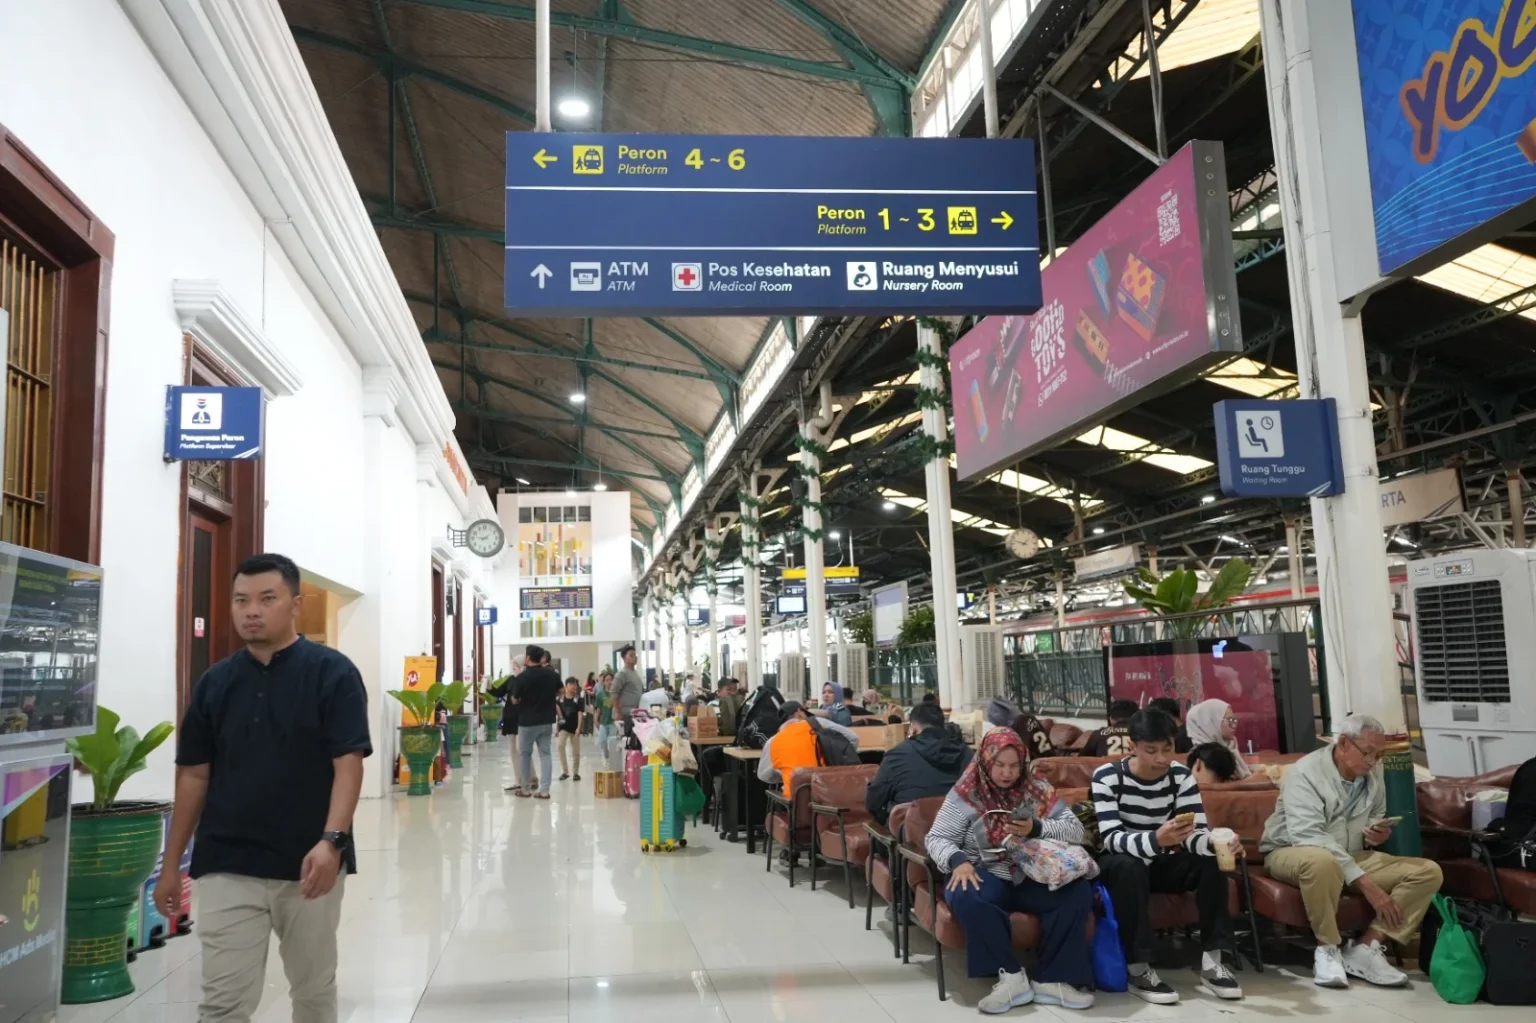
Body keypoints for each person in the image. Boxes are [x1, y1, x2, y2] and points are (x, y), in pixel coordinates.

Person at [156, 553, 370, 1021]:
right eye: (241, 600)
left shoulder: (333, 673)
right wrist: (172, 864)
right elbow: (193, 774)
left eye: (266, 599)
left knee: (312, 990)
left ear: (295, 604)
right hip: (227, 862)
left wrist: (332, 841)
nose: (251, 610)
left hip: (309, 863)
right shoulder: (215, 683)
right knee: (222, 1002)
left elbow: (348, 764)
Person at [1259, 714, 1442, 989]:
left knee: (1428, 872)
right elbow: (1308, 835)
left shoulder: (1373, 771)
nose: (1373, 762)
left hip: (1350, 854)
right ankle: (1327, 949)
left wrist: (1377, 832)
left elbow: (1376, 811)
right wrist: (1366, 883)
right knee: (1322, 862)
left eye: (1379, 755)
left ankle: (1367, 948)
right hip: (1293, 850)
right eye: (1367, 753)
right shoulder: (1304, 773)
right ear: (1344, 743)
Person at [924, 729, 1095, 1013]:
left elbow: (1075, 830)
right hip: (984, 871)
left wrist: (1036, 827)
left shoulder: (1037, 788)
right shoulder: (966, 793)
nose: (1007, 773)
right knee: (965, 892)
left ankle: (1053, 980)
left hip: (1031, 872)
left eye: (1015, 765)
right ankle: (1011, 978)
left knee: (1076, 892)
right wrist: (958, 861)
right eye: (1000, 765)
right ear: (985, 761)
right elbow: (937, 838)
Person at [1092, 710, 1243, 1003]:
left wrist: (1217, 843)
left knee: (1211, 860)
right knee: (1128, 866)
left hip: (1159, 860)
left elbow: (1194, 835)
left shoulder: (1180, 776)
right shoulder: (1107, 777)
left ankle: (1213, 961)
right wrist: (1156, 839)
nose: (1161, 758)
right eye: (1151, 750)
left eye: (1167, 748)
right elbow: (1111, 838)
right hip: (1119, 863)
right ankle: (1138, 968)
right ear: (1133, 746)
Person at [865, 702, 971, 825]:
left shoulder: (897, 754)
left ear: (913, 728)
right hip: (959, 829)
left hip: (913, 830)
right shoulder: (966, 752)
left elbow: (873, 802)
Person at [758, 701, 859, 796]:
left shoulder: (772, 741)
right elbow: (853, 738)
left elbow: (764, 775)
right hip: (830, 795)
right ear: (799, 712)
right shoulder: (817, 723)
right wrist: (835, 757)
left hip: (797, 800)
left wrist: (787, 774)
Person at [511, 646, 563, 799]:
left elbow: (514, 699)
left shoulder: (522, 677)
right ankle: (544, 790)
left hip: (527, 722)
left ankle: (525, 789)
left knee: (525, 755)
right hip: (546, 721)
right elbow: (561, 691)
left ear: (528, 658)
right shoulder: (551, 674)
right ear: (541, 658)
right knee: (545, 754)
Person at [1185, 699, 1252, 779]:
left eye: (1234, 720)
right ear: (1210, 723)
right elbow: (1210, 785)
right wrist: (1253, 779)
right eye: (1230, 720)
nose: (1234, 725)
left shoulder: (1230, 746)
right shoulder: (1205, 756)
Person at [490, 661, 529, 793]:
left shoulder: (527, 680)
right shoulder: (511, 680)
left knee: (520, 749)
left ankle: (529, 777)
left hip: (523, 717)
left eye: (516, 667)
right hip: (511, 717)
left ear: (522, 667)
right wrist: (488, 685)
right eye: (513, 667)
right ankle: (518, 780)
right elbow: (498, 692)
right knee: (513, 750)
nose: (514, 669)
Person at [556, 678, 585, 782]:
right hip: (563, 728)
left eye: (575, 684)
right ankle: (565, 772)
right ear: (566, 686)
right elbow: (559, 716)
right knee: (560, 745)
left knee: (576, 752)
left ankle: (575, 773)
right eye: (571, 684)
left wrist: (578, 728)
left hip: (574, 728)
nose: (574, 686)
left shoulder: (578, 699)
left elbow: (580, 714)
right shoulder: (560, 699)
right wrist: (557, 728)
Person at [611, 644, 644, 723]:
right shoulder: (622, 674)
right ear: (624, 658)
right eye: (631, 655)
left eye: (635, 655)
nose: (635, 657)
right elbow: (613, 693)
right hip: (624, 714)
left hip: (634, 713)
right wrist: (618, 712)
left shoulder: (635, 673)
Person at [593, 671, 617, 765]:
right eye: (607, 680)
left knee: (611, 742)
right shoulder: (600, 694)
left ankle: (612, 760)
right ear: (604, 682)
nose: (609, 682)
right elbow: (599, 709)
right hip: (603, 722)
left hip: (613, 723)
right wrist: (596, 720)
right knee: (602, 741)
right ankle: (606, 757)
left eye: (611, 680)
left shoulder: (616, 694)